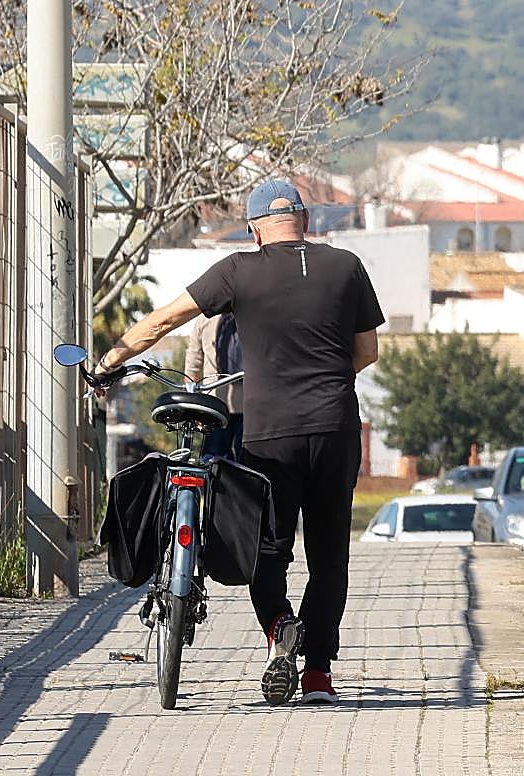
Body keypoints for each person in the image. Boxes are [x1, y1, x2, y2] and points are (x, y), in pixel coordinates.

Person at [92, 178, 384, 707]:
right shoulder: (346, 267)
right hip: (336, 426)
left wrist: (111, 360)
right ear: (307, 222)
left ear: (253, 230)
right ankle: (317, 673)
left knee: (267, 548)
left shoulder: (238, 270)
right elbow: (367, 352)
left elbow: (167, 317)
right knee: (329, 552)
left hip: (270, 433)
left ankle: (278, 626)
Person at [186, 312, 244, 459]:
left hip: (214, 404)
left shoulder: (205, 318)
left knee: (212, 461)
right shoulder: (252, 312)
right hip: (250, 402)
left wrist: (195, 407)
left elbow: (193, 365)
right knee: (250, 464)